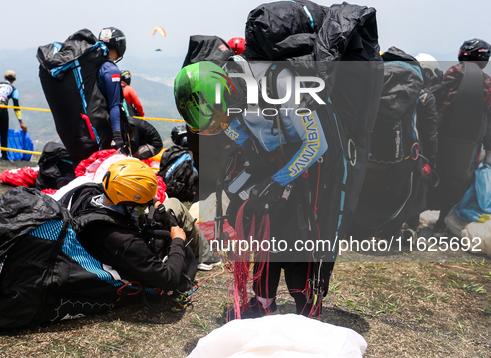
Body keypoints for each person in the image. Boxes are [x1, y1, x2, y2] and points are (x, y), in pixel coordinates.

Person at [174, 60, 332, 319]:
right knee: (262, 237)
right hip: (268, 163)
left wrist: (277, 181)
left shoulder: (282, 82)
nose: (222, 123)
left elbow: (316, 144)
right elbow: (242, 133)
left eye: (221, 117)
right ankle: (263, 304)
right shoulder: (229, 93)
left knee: (297, 238)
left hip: (305, 167)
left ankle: (307, 308)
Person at [60, 158, 214, 300]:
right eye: (142, 204)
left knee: (169, 206)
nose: (145, 206)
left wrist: (153, 205)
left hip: (108, 248)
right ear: (127, 204)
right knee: (174, 203)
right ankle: (206, 258)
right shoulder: (125, 241)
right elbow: (169, 280)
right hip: (133, 259)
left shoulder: (88, 194)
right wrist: (178, 242)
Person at [430, 39, 491, 232]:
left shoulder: (455, 72)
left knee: (431, 175)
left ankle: (412, 221)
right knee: (458, 183)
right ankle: (442, 222)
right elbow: (489, 122)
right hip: (470, 145)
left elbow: (434, 96)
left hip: (441, 136)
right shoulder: (490, 84)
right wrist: (489, 152)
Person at [97, 27, 128, 150]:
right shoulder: (111, 70)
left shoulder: (96, 66)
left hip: (92, 126)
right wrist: (117, 136)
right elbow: (114, 105)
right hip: (106, 130)